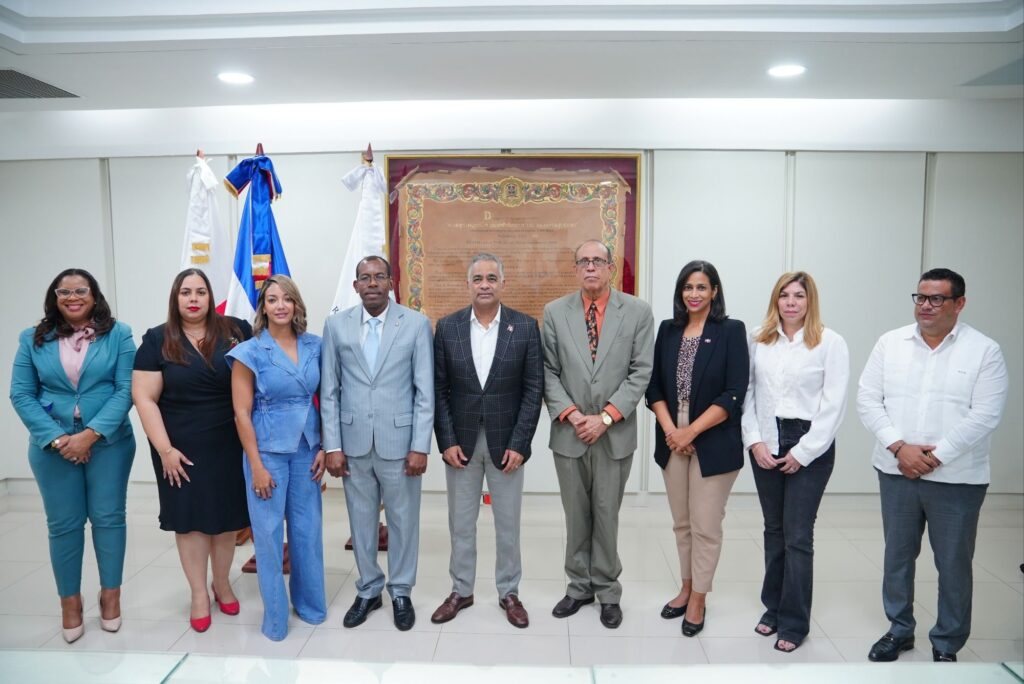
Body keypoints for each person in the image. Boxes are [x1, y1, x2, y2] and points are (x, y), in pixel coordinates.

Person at [858, 267, 1008, 663]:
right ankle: (899, 630)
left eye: (937, 298)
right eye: (921, 297)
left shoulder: (984, 351)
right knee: (897, 557)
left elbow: (986, 414)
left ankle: (947, 642)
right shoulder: (890, 343)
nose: (926, 305)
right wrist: (899, 448)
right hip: (896, 471)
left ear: (959, 303)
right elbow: (868, 399)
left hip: (958, 478)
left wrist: (934, 457)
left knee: (953, 563)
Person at [10, 268, 136, 643]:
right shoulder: (32, 338)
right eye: (64, 292)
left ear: (94, 296)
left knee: (109, 518)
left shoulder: (120, 334)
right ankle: (70, 602)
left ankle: (110, 595)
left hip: (109, 443)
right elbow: (21, 394)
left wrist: (90, 435)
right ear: (55, 298)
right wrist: (59, 439)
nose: (72, 297)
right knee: (64, 525)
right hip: (53, 449)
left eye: (81, 290)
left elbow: (125, 389)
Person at [542, 239, 654, 629]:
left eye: (597, 261)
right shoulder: (555, 312)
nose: (590, 267)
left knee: (606, 513)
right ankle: (578, 588)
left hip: (614, 434)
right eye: (583, 261)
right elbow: (548, 371)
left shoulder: (637, 312)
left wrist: (605, 418)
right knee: (576, 515)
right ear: (575, 269)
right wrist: (574, 416)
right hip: (570, 433)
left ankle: (607, 591)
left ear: (610, 268)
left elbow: (641, 371)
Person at [132, 268, 250, 633]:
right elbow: (144, 398)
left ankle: (223, 583)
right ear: (176, 298)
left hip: (230, 443)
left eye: (200, 291)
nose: (194, 299)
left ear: (211, 297)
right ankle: (199, 593)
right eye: (186, 292)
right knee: (191, 523)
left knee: (226, 521)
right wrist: (165, 450)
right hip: (178, 449)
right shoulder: (157, 339)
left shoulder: (235, 331)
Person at [321, 255, 434, 631]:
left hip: (400, 444)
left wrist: (420, 446)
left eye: (379, 276)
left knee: (403, 521)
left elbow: (424, 391)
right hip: (352, 444)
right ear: (355, 285)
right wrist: (332, 446)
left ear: (390, 282)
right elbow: (330, 391)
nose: (372, 283)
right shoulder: (336, 325)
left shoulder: (415, 324)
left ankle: (401, 590)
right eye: (365, 278)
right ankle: (369, 589)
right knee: (361, 521)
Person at [431, 253, 544, 628]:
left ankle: (509, 592)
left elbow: (533, 391)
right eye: (478, 278)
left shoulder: (524, 327)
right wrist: (446, 441)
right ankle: (461, 590)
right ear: (468, 284)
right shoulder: (448, 328)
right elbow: (439, 390)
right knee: (461, 524)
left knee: (507, 525)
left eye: (491, 278)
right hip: (460, 446)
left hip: (507, 445)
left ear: (502, 284)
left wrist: (521, 443)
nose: (484, 284)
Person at [741, 271, 849, 652]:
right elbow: (747, 394)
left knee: (798, 535)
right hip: (766, 438)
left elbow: (834, 406)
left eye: (799, 296)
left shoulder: (830, 342)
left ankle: (794, 621)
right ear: (776, 300)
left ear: (809, 301)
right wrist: (754, 441)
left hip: (810, 443)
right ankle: (773, 608)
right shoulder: (759, 338)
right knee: (774, 530)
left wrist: (803, 452)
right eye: (784, 295)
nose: (790, 302)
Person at [645, 260, 748, 637]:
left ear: (714, 291)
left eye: (702, 287)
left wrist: (691, 432)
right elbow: (654, 387)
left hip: (713, 440)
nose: (694, 294)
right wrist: (673, 431)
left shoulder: (731, 331)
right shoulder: (668, 330)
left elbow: (734, 392)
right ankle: (686, 587)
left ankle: (699, 598)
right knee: (682, 523)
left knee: (705, 525)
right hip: (673, 438)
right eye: (688, 287)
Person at [227, 274, 327, 641]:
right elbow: (241, 413)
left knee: (307, 530)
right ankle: (275, 617)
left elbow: (328, 398)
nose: (281, 305)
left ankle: (311, 605)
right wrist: (255, 465)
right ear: (263, 308)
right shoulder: (249, 352)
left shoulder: (316, 345)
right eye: (272, 299)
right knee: (268, 535)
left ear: (297, 304)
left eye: (287, 298)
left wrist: (324, 446)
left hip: (307, 450)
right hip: (267, 452)